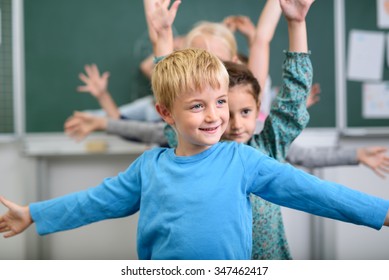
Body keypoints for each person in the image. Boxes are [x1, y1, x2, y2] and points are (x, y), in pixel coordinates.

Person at [2, 46, 389, 259]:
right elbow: (95, 202)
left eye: (219, 101)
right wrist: (34, 214)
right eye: (197, 106)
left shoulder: (243, 160)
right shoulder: (149, 168)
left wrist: (382, 213)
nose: (215, 116)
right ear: (166, 114)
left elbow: (313, 192)